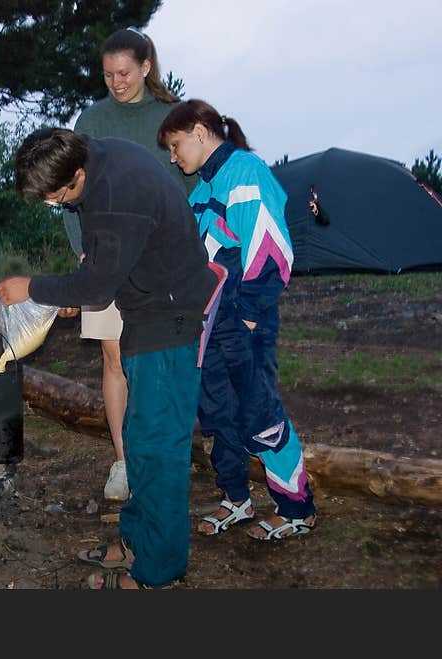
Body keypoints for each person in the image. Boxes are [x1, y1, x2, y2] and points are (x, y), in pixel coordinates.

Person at [0, 128, 217, 588]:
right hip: (147, 305)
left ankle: (158, 570)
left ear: (77, 174)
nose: (58, 205)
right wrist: (83, 282)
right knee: (139, 439)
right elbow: (105, 262)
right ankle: (135, 540)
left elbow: (98, 286)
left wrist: (33, 287)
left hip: (169, 317)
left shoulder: (116, 192)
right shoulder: (95, 158)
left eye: (58, 197)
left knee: (158, 448)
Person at [157, 99, 317, 541]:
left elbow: (272, 252)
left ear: (199, 131)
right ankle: (236, 499)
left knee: (259, 415)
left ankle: (297, 507)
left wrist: (246, 319)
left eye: (175, 146)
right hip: (208, 327)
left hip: (244, 322)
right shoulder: (203, 189)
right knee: (217, 413)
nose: (174, 157)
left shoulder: (246, 172)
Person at [61, 28, 196, 501]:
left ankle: (161, 454)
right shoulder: (92, 119)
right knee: (115, 357)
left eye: (124, 72)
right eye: (107, 74)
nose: (116, 82)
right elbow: (68, 193)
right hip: (106, 261)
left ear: (145, 67)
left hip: (165, 268)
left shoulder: (171, 117)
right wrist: (84, 251)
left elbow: (190, 190)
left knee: (159, 360)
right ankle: (123, 461)